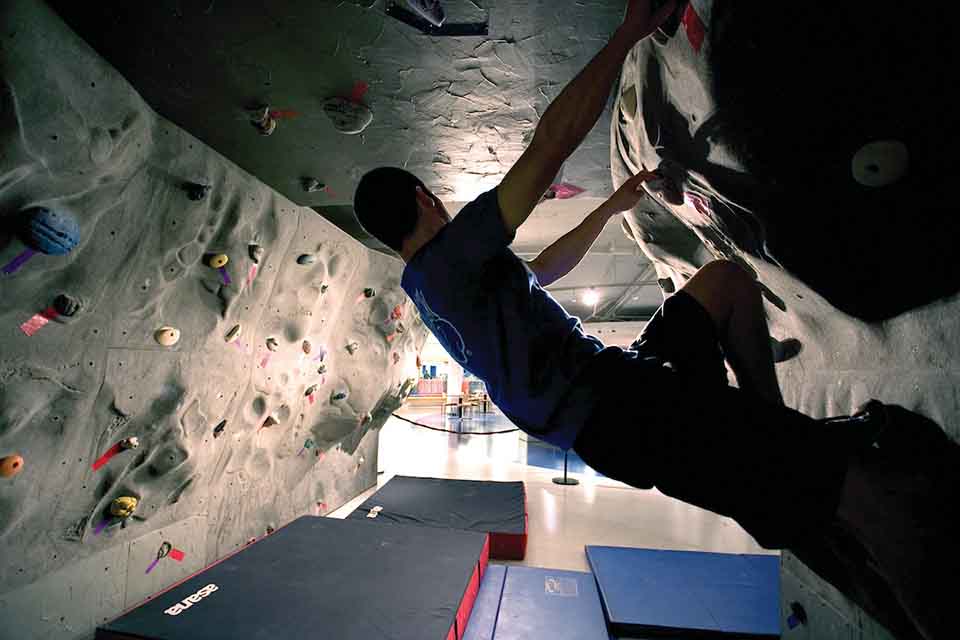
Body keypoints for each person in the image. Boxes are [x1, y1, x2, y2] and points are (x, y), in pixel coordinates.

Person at [353, 0, 888, 552]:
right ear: (425, 196)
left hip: (612, 383)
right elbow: (549, 146)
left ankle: (776, 437)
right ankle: (788, 470)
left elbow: (541, 270)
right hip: (616, 413)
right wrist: (628, 32)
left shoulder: (433, 286)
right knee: (849, 491)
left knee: (726, 284)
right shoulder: (449, 257)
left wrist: (610, 208)